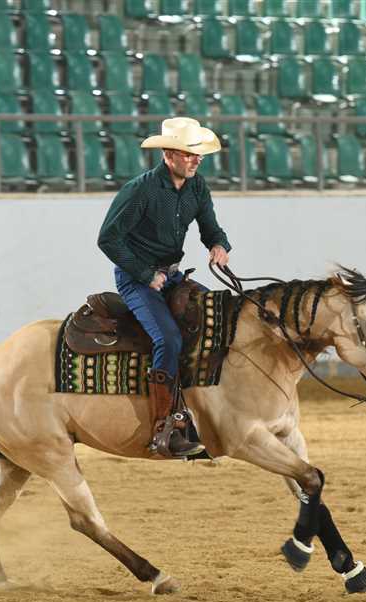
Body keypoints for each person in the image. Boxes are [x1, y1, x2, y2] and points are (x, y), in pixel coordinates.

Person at [97, 117, 231, 459]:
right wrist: (144, 274)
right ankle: (165, 427)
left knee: (220, 318)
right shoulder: (140, 190)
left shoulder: (197, 187)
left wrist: (219, 244)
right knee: (167, 339)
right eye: (188, 153)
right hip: (136, 279)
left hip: (172, 276)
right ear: (168, 155)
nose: (196, 160)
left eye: (198, 154)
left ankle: (208, 412)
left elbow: (210, 227)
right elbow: (108, 239)